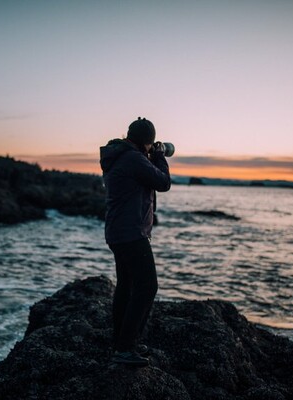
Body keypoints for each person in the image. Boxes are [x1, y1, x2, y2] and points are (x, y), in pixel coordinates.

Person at [99, 117, 171, 366]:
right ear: (147, 142)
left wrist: (150, 155)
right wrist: (160, 156)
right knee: (147, 286)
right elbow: (163, 183)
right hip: (131, 234)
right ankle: (125, 349)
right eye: (152, 144)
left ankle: (121, 343)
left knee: (127, 286)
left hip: (118, 232)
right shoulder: (133, 159)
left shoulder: (120, 155)